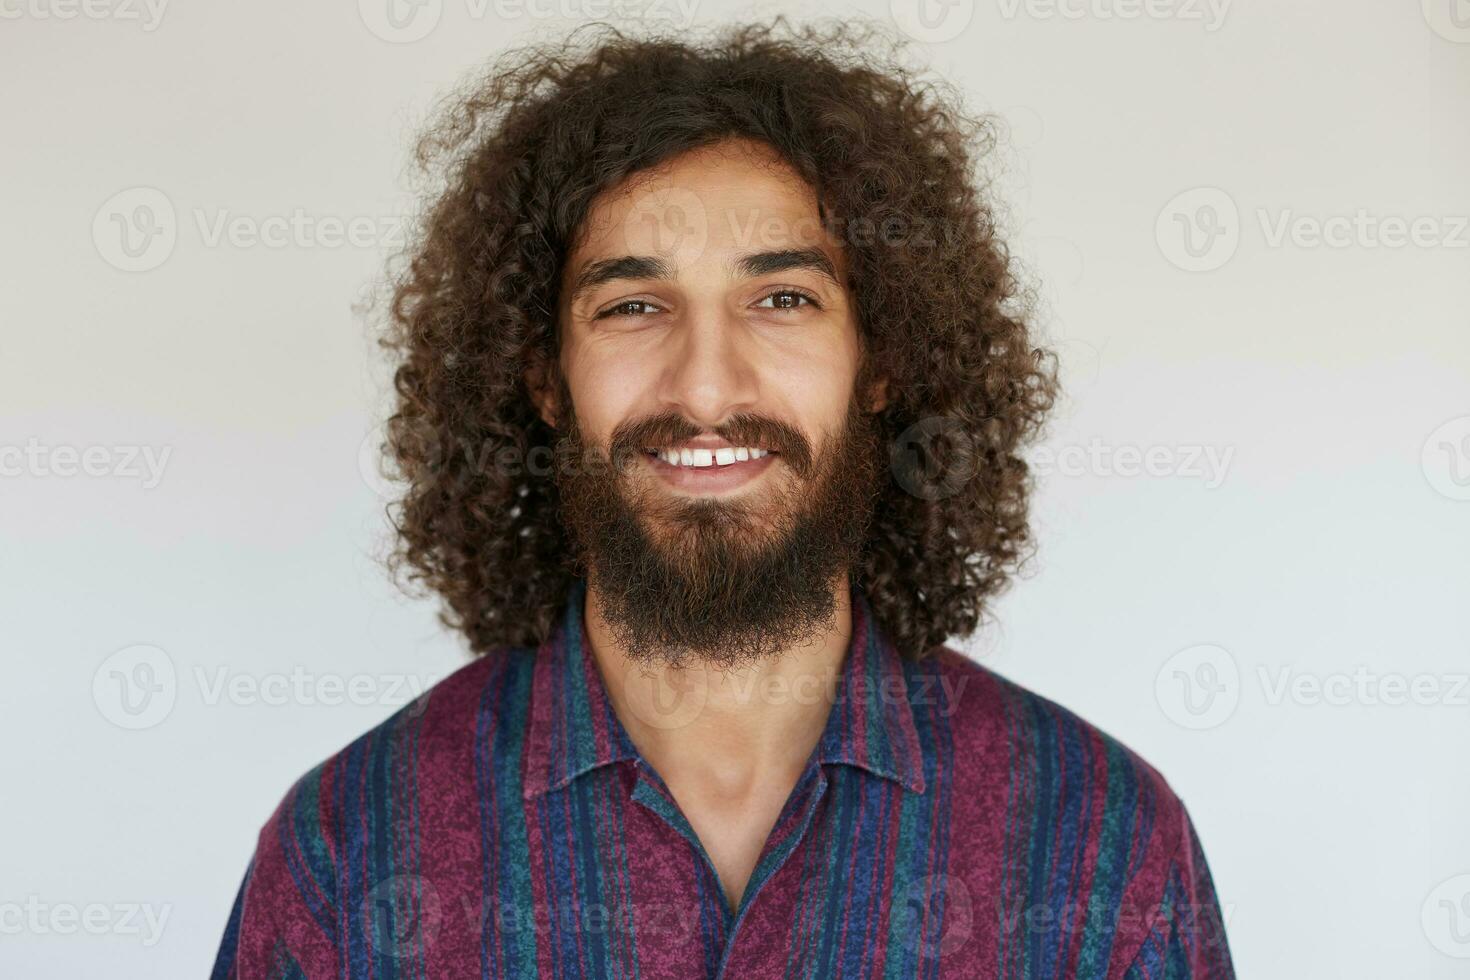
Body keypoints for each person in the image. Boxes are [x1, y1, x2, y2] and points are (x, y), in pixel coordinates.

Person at [213, 19, 1233, 978]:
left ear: (881, 359)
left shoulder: (1098, 841)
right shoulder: (349, 848)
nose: (706, 388)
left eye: (783, 298)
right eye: (633, 305)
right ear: (542, 374)